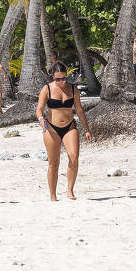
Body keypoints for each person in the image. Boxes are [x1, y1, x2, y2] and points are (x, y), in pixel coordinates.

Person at [35, 64, 89, 202]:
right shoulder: (47, 89)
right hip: (51, 128)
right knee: (53, 163)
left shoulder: (72, 88)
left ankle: (70, 190)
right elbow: (39, 109)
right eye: (58, 79)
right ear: (53, 77)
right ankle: (53, 195)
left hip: (70, 127)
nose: (62, 81)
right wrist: (41, 119)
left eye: (64, 78)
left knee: (74, 156)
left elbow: (80, 110)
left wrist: (87, 129)